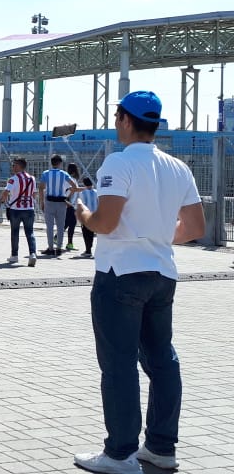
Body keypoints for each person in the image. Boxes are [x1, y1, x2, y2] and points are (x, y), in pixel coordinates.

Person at [72, 91, 205, 474]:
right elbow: (194, 228)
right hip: (162, 273)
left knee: (119, 364)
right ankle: (161, 448)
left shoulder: (119, 161)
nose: (116, 124)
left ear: (127, 120)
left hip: (120, 274)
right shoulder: (178, 166)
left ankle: (119, 454)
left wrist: (83, 213)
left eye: (117, 117)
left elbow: (106, 223)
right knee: (162, 360)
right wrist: (156, 236)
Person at [39, 154, 79, 257]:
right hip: (61, 202)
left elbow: (41, 188)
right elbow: (74, 186)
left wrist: (42, 202)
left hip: (49, 201)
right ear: (60, 163)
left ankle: (51, 248)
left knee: (49, 226)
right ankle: (59, 248)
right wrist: (67, 196)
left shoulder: (45, 173)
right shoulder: (64, 174)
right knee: (60, 226)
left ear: (51, 163)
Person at [2, 157, 39, 266]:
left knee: (15, 232)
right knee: (30, 232)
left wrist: (2, 201)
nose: (12, 167)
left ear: (19, 166)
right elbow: (34, 193)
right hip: (29, 208)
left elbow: (5, 192)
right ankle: (32, 254)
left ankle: (14, 256)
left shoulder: (13, 179)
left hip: (15, 209)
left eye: (14, 165)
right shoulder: (32, 178)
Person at [78, 176, 98, 258]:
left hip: (86, 215)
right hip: (95, 215)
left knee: (86, 234)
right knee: (91, 233)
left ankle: (88, 250)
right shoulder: (96, 192)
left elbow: (82, 205)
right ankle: (89, 249)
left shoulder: (83, 193)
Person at [65, 162, 82, 252]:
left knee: (67, 223)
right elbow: (70, 191)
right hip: (70, 205)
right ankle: (69, 243)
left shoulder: (69, 179)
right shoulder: (72, 180)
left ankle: (57, 238)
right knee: (72, 224)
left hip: (71, 205)